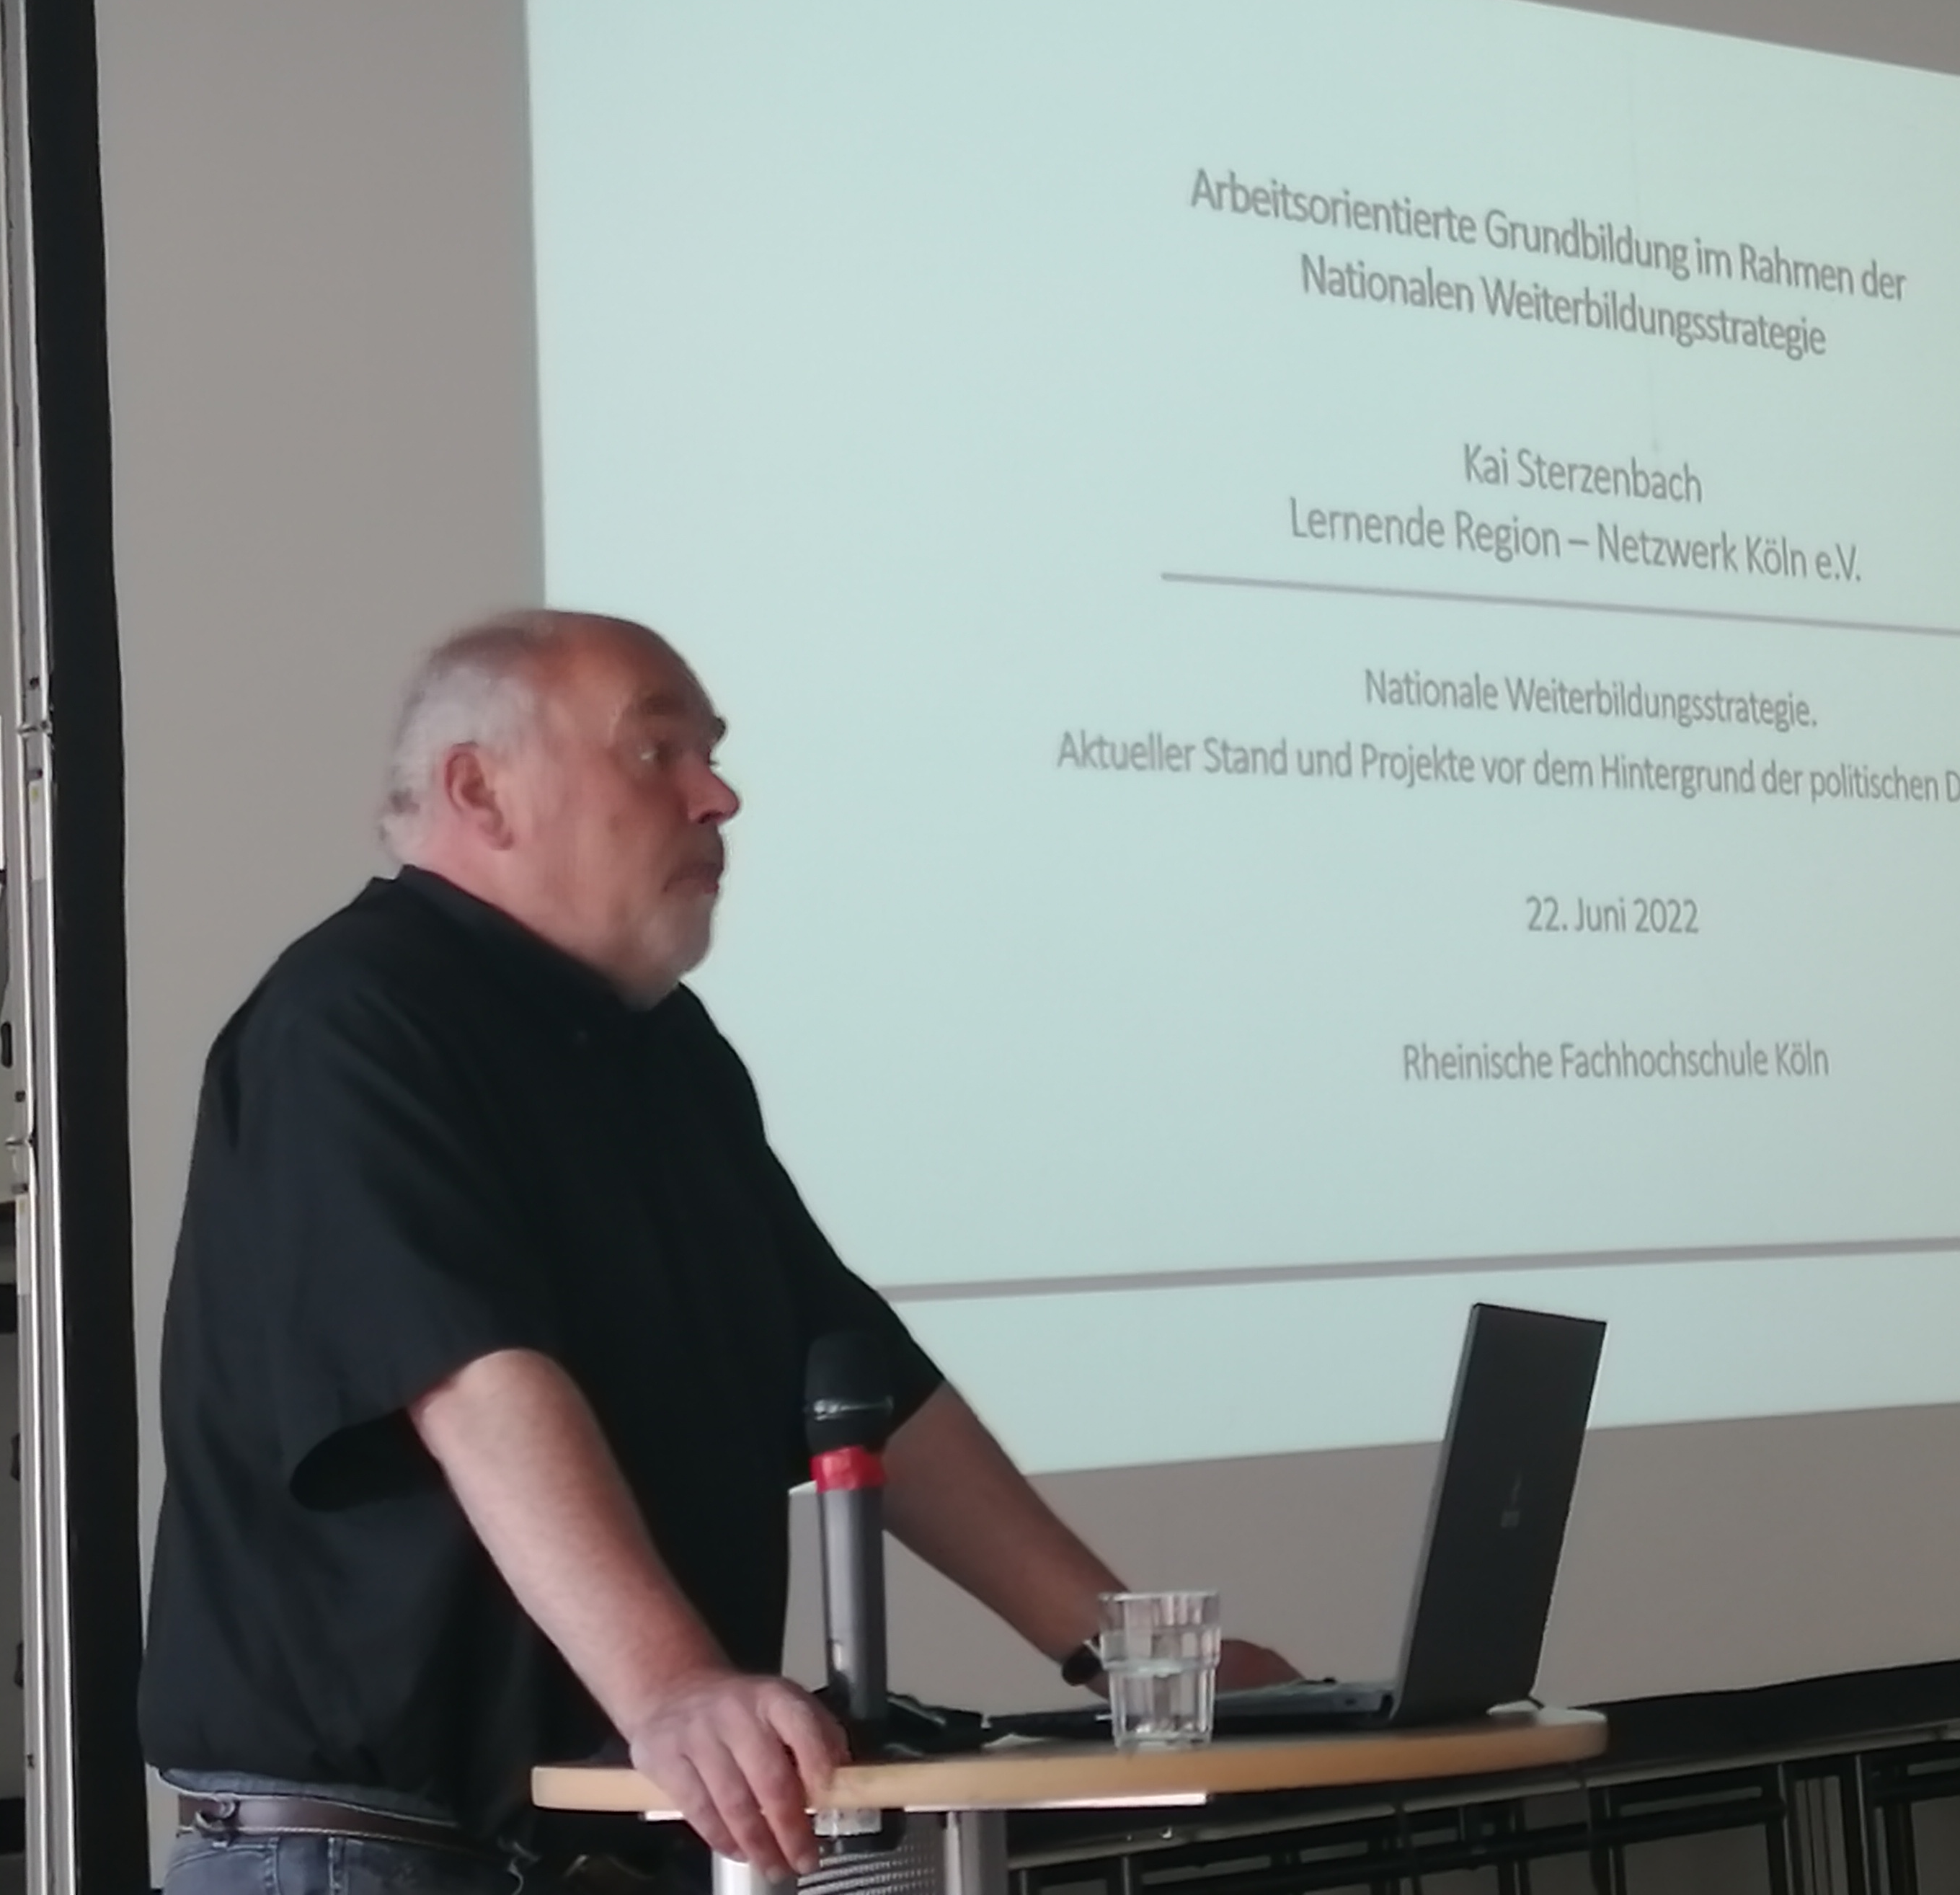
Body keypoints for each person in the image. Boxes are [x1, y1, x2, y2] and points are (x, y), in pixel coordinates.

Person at [142, 609, 1293, 1892]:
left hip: (606, 1842)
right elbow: (467, 1376)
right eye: (658, 753)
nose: (718, 796)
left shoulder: (667, 1050)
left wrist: (1123, 1658)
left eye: (714, 754)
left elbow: (855, 1374)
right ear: (481, 790)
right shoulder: (353, 1021)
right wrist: (673, 1686)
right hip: (367, 1856)